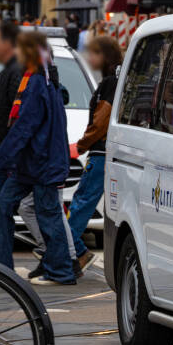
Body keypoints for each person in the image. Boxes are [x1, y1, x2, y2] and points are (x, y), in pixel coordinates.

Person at [0, 31, 74, 285]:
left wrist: (0, 161)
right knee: (4, 204)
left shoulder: (37, 81)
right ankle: (2, 267)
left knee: (47, 215)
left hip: (41, 163)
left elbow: (24, 126)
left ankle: (61, 270)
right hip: (32, 164)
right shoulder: (44, 79)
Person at [66, 36, 122, 271]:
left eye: (94, 54)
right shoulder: (113, 81)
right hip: (105, 152)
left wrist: (80, 146)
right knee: (83, 201)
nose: (90, 58)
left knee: (81, 202)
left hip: (100, 153)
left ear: (105, 56)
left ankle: (70, 251)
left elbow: (101, 121)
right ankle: (74, 251)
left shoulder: (109, 83)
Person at [0, 22, 22, 255]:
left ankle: (1, 266)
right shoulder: (9, 72)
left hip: (9, 159)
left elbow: (16, 119)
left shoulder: (15, 73)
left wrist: (7, 157)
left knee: (1, 208)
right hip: (4, 157)